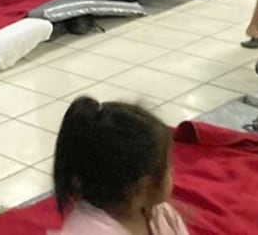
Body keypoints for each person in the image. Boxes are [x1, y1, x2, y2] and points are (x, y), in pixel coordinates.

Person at [53, 97, 188, 235]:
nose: (172, 172)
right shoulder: (86, 231)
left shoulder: (161, 215)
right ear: (144, 186)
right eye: (167, 167)